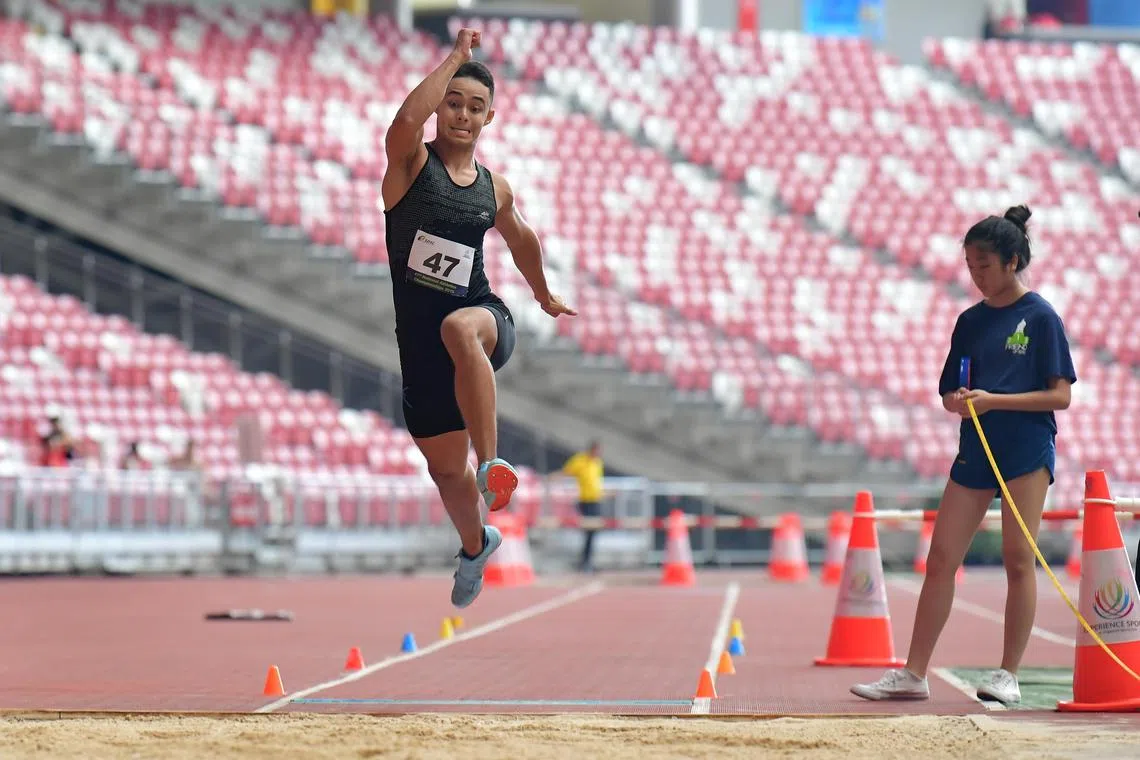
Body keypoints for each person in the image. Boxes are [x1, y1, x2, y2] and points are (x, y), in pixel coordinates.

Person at [380, 28, 577, 609]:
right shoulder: (410, 168)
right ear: (441, 106)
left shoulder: (494, 189)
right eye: (454, 103)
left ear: (490, 118)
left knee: (459, 327)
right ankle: (474, 545)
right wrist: (456, 59)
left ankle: (492, 462)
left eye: (475, 108)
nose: (462, 115)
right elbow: (401, 126)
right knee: (445, 474)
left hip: (485, 322)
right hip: (421, 353)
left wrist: (541, 294)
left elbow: (522, 240)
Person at [851, 205, 1076, 706]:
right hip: (975, 450)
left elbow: (1060, 396)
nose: (976, 276)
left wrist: (995, 401)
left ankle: (1008, 674)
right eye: (970, 266)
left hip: (1024, 450)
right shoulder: (970, 321)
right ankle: (913, 672)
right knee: (940, 558)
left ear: (1012, 260)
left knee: (1019, 559)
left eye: (985, 266)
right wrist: (958, 401)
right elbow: (951, 388)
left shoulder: (1041, 318)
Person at [557, 440, 605, 572]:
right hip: (585, 501)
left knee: (593, 532)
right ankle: (585, 561)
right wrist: (554, 478)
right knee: (588, 530)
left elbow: (596, 482)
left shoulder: (598, 463)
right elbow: (566, 472)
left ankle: (587, 560)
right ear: (592, 450)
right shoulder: (580, 461)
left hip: (596, 500)